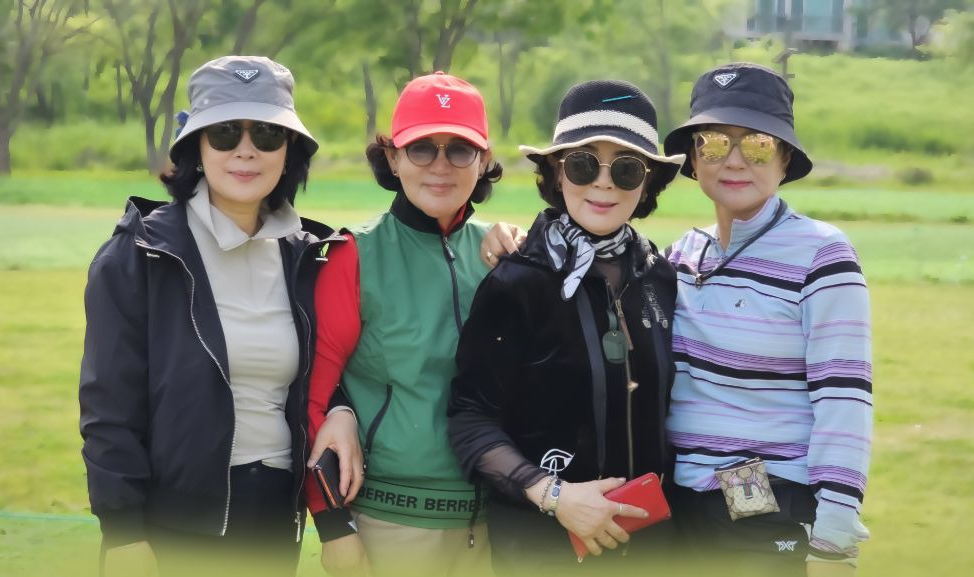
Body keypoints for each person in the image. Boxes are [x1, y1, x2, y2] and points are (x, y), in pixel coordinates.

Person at [79, 55, 363, 577]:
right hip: (170, 531)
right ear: (196, 147)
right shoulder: (137, 255)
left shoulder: (309, 255)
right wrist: (122, 532)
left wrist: (342, 412)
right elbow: (109, 409)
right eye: (226, 132)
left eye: (268, 135)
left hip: (274, 521)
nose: (246, 150)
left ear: (290, 151)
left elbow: (325, 369)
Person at [447, 80, 685, 576]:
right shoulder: (516, 281)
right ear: (557, 172)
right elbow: (471, 419)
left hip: (651, 546)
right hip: (542, 547)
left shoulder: (660, 276)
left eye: (626, 168)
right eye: (583, 164)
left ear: (647, 184)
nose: (604, 184)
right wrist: (555, 496)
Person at [659, 62, 873, 576]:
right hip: (676, 502)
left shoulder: (822, 254)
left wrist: (836, 524)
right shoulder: (679, 256)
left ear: (784, 159)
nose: (734, 160)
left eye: (756, 144)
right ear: (694, 158)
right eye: (714, 143)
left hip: (762, 496)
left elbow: (843, 393)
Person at [304, 72, 502, 577]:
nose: (441, 165)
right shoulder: (354, 254)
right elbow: (313, 396)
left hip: (499, 521)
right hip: (389, 523)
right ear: (392, 158)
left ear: (483, 160)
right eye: (421, 148)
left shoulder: (504, 254)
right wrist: (333, 526)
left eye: (461, 149)